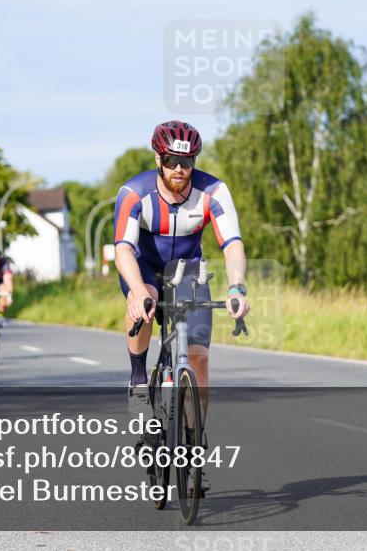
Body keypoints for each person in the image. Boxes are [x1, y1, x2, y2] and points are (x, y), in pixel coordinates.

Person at [113, 120, 250, 493]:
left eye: (187, 162)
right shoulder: (134, 192)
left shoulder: (214, 191)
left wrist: (237, 286)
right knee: (144, 303)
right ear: (159, 158)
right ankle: (139, 378)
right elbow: (122, 249)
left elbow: (232, 243)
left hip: (189, 270)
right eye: (172, 160)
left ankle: (194, 445)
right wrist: (139, 289)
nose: (180, 170)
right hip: (143, 267)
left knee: (199, 357)